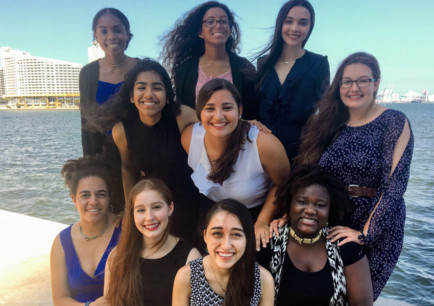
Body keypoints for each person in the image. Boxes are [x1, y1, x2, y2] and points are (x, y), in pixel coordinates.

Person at [296, 52, 414, 300]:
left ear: (376, 83)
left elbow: (394, 186)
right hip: (331, 218)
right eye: (347, 81)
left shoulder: (394, 121)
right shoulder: (328, 123)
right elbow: (307, 175)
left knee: (356, 298)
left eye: (362, 80)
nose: (354, 88)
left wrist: (365, 234)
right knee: (324, 294)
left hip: (377, 225)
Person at [94, 58, 212, 248]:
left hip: (193, 201)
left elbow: (217, 130)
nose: (149, 94)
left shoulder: (183, 117)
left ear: (167, 96)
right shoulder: (122, 131)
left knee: (192, 260)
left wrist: (250, 126)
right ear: (132, 96)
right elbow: (127, 168)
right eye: (141, 87)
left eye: (157, 87)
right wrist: (130, 210)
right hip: (155, 206)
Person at [181, 78, 290, 251]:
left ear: (240, 110)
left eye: (227, 107)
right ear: (199, 112)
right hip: (211, 212)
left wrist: (262, 221)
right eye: (210, 108)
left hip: (253, 214)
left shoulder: (264, 144)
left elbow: (284, 184)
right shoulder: (189, 138)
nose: (218, 116)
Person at [258, 165, 373, 305]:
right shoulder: (267, 243)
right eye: (301, 202)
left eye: (320, 205)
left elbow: (362, 303)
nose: (310, 210)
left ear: (330, 209)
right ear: (289, 204)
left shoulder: (345, 247)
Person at [104, 178, 201, 306]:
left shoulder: (191, 257)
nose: (149, 217)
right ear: (132, 214)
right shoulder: (117, 256)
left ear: (170, 208)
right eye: (141, 210)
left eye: (156, 207)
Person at [255, 0, 330, 162]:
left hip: (301, 155)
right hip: (261, 153)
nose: (295, 28)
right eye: (289, 21)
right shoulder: (263, 64)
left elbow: (327, 111)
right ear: (280, 23)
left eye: (303, 23)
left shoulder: (318, 64)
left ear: (310, 27)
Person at [80, 8, 138, 213]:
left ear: (127, 34)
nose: (111, 36)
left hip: (140, 154)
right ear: (96, 37)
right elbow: (86, 125)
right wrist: (89, 170)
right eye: (103, 31)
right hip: (105, 159)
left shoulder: (142, 68)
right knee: (112, 215)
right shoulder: (88, 73)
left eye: (117, 29)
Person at [161, 1, 259, 120]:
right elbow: (182, 112)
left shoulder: (244, 67)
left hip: (237, 137)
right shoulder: (185, 69)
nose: (218, 26)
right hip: (194, 137)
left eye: (223, 21)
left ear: (229, 30)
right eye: (210, 21)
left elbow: (253, 113)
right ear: (200, 32)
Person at [173, 199, 274, 306]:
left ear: (248, 239)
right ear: (205, 236)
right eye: (217, 233)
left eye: (236, 234)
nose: (226, 246)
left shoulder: (263, 280)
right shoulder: (187, 276)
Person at [50, 156, 121, 305]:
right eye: (85, 195)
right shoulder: (62, 242)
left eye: (101, 194)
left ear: (109, 198)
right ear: (74, 199)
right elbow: (60, 299)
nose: (93, 201)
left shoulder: (124, 230)